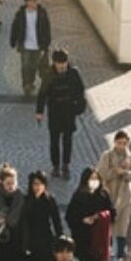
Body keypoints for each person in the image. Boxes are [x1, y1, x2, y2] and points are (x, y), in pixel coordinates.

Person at [35, 48, 86, 179]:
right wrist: (39, 111)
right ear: (55, 63)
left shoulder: (73, 73)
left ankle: (66, 165)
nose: (62, 66)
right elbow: (42, 94)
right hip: (55, 111)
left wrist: (78, 104)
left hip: (69, 111)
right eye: (59, 63)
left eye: (64, 63)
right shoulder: (49, 74)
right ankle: (55, 166)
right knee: (54, 140)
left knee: (68, 140)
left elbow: (81, 90)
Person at [15, 169, 64, 261]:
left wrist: (60, 237)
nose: (37, 187)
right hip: (29, 238)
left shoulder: (49, 199)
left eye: (40, 184)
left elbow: (56, 220)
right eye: (34, 184)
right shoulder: (26, 200)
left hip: (45, 237)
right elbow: (22, 218)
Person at [97, 130, 131, 261]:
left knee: (122, 225)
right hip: (109, 194)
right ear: (115, 142)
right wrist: (115, 171)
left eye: (124, 143)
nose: (122, 146)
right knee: (108, 222)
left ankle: (120, 253)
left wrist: (125, 172)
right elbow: (101, 174)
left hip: (125, 196)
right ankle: (106, 250)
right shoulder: (107, 156)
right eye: (119, 143)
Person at [65, 169, 115, 261]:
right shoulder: (79, 196)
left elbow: (112, 213)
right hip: (83, 238)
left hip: (99, 238)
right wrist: (83, 220)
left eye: (96, 178)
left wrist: (101, 216)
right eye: (91, 178)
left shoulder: (103, 195)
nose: (94, 181)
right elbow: (70, 216)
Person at [9, 0, 52, 96]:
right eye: (33, 0)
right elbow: (15, 28)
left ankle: (31, 81)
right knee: (25, 65)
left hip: (38, 45)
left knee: (34, 65)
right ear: (27, 2)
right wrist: (13, 41)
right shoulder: (20, 14)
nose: (36, 2)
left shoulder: (42, 13)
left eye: (36, 0)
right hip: (25, 45)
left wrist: (46, 43)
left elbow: (47, 28)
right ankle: (26, 84)